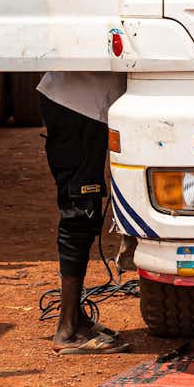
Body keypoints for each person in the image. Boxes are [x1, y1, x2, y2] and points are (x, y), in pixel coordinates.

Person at [36, 70, 126, 353]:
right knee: (80, 212)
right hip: (77, 105)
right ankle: (68, 329)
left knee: (86, 210)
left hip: (81, 104)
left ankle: (77, 319)